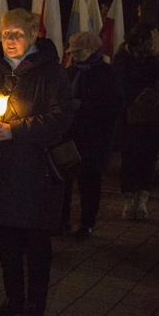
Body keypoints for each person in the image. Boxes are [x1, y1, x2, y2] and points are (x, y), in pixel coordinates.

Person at [0, 8, 74, 316]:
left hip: (33, 172)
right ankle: (13, 297)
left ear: (33, 35)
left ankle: (35, 301)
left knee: (36, 242)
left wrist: (16, 130)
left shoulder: (50, 73)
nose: (10, 40)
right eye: (6, 33)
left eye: (17, 34)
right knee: (7, 239)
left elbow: (62, 116)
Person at [60, 32, 120, 239]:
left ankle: (87, 223)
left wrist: (83, 106)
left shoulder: (106, 73)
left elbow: (112, 107)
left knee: (89, 183)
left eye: (79, 51)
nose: (75, 55)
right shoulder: (69, 73)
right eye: (72, 51)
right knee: (64, 181)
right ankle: (62, 221)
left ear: (93, 51)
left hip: (93, 138)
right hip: (69, 137)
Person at [112, 23, 159, 219]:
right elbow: (118, 83)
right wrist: (134, 99)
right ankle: (129, 201)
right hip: (130, 117)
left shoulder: (154, 57)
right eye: (148, 39)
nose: (150, 43)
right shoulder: (124, 56)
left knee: (148, 159)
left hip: (151, 117)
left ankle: (143, 200)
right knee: (130, 159)